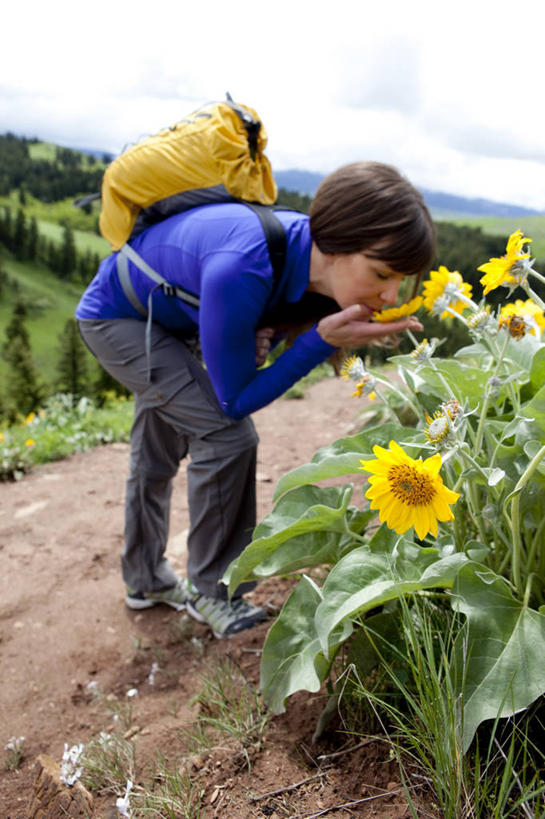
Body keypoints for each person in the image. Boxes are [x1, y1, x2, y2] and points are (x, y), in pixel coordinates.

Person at [76, 161, 435, 639]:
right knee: (227, 438)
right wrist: (319, 341)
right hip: (117, 320)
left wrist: (270, 332)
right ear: (336, 245)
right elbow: (234, 402)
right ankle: (213, 590)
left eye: (400, 279)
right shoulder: (245, 263)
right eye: (382, 273)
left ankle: (145, 582)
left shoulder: (298, 253)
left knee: (157, 451)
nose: (391, 295)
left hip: (162, 320)